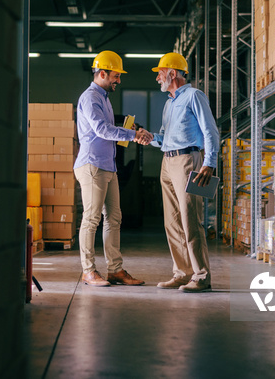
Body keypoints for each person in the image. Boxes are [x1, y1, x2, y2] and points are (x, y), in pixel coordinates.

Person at [74, 50, 153, 287]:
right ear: (102, 73)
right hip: (92, 165)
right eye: (115, 76)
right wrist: (133, 134)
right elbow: (101, 130)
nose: (119, 81)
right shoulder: (90, 98)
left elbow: (108, 131)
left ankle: (115, 270)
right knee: (91, 219)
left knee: (114, 218)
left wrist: (130, 130)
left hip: (108, 166)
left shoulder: (105, 99)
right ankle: (88, 271)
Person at [147, 52, 220, 293]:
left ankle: (201, 275)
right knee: (173, 222)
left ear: (172, 73)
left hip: (189, 160)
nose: (158, 78)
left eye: (160, 73)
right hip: (167, 162)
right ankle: (181, 272)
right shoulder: (169, 103)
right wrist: (150, 138)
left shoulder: (194, 96)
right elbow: (166, 138)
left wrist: (209, 162)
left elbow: (210, 131)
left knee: (190, 219)